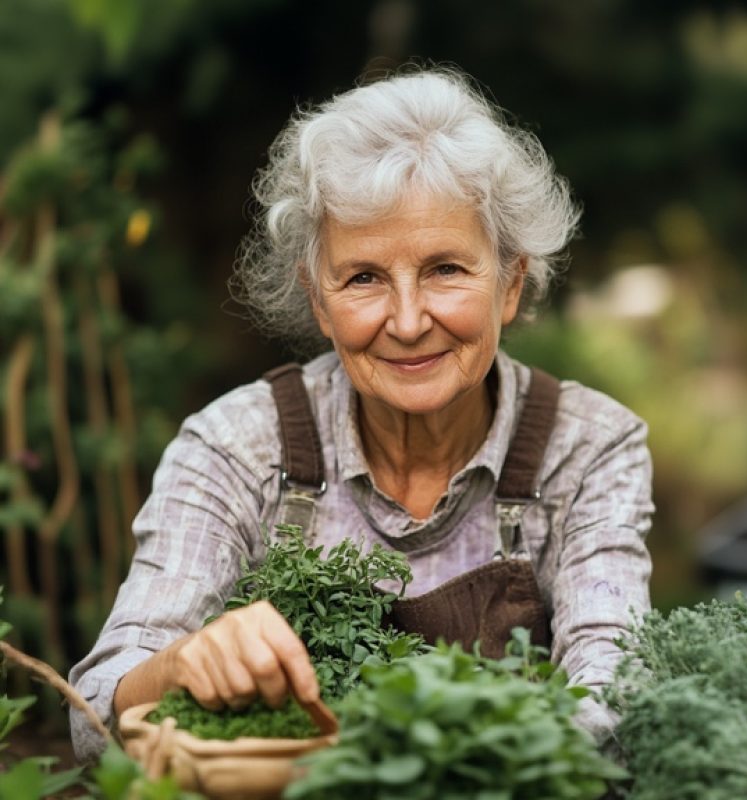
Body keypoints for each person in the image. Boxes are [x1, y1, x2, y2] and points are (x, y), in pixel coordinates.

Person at [69, 66, 653, 762]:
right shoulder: (236, 445)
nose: (407, 322)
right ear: (318, 300)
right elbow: (91, 721)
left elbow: (613, 708)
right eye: (364, 278)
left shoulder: (588, 448)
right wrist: (174, 668)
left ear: (510, 284)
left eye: (445, 269)